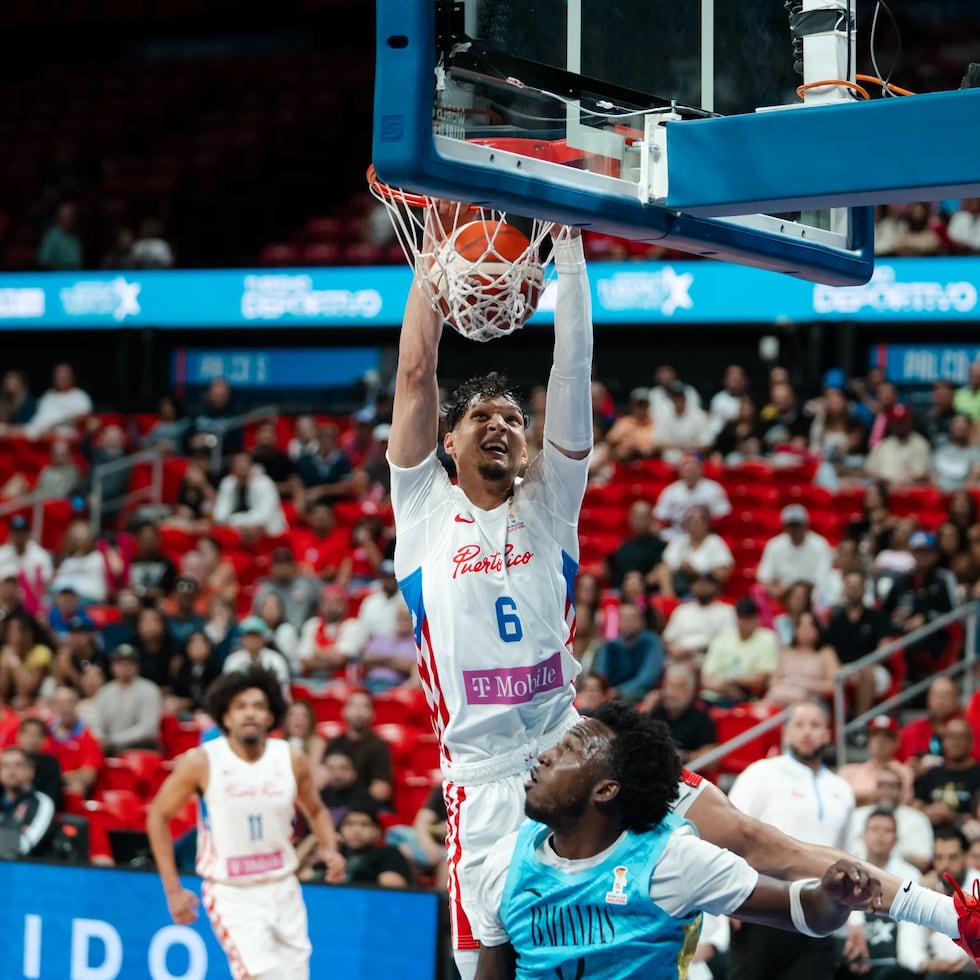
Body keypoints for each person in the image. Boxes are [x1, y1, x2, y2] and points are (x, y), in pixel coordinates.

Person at [388, 218, 594, 976]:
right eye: (482, 417)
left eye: (513, 418)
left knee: (717, 832)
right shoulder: (423, 511)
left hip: (566, 747)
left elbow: (570, 373)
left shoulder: (551, 503)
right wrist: (431, 262)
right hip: (482, 780)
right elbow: (416, 376)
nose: (502, 425)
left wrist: (567, 252)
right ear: (450, 442)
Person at [473, 702, 879, 980]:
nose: (544, 756)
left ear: (606, 790)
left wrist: (833, 897)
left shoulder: (672, 858)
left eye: (568, 750)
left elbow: (805, 910)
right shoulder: (505, 862)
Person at [147, 666, 344, 980]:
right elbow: (158, 815)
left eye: (258, 706)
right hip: (232, 892)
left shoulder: (290, 759)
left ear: (270, 717)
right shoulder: (202, 762)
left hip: (284, 887)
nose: (250, 713)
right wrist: (172, 890)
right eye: (241, 707)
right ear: (225, 717)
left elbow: (317, 810)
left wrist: (329, 848)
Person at [726, 701, 856, 978]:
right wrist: (730, 894)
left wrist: (854, 921)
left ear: (828, 734)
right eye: (799, 725)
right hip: (763, 903)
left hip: (822, 911)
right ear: (785, 733)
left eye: (815, 725)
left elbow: (848, 858)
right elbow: (731, 832)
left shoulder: (842, 789)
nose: (807, 732)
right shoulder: (762, 773)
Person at [91, 643, 162, 755]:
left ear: (137, 666)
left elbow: (149, 729)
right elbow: (96, 724)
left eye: (130, 662)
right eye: (119, 662)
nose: (125, 666)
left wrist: (113, 739)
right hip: (109, 749)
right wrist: (101, 738)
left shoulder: (149, 689)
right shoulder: (104, 692)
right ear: (112, 666)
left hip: (141, 749)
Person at [0, 746, 56, 857]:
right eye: (5, 765)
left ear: (30, 771)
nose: (11, 771)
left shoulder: (42, 802)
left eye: (18, 765)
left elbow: (25, 845)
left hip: (27, 870)